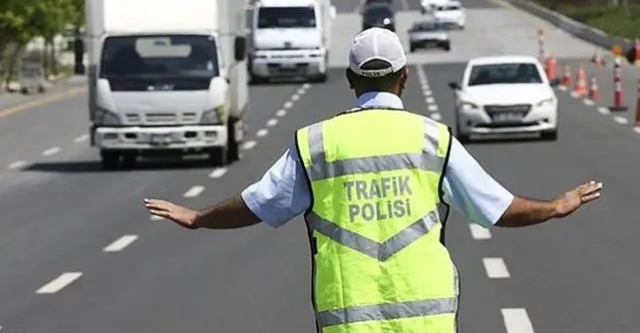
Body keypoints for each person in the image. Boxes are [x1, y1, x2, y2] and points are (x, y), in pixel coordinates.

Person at [144, 27, 603, 333]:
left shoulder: (317, 143)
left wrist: (199, 216)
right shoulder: (432, 139)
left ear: (350, 79)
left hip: (349, 318)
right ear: (404, 77)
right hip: (429, 317)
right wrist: (555, 207)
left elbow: (260, 203)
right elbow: (497, 209)